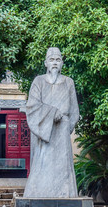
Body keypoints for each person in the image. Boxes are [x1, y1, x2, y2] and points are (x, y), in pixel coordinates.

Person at [23, 47, 80, 198]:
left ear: (62, 63)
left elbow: (74, 111)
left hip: (62, 133)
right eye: (51, 60)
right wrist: (52, 113)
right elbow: (32, 107)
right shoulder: (39, 81)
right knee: (42, 165)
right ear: (46, 63)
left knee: (63, 169)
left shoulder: (69, 82)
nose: (55, 63)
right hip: (44, 133)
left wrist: (65, 126)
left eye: (58, 60)